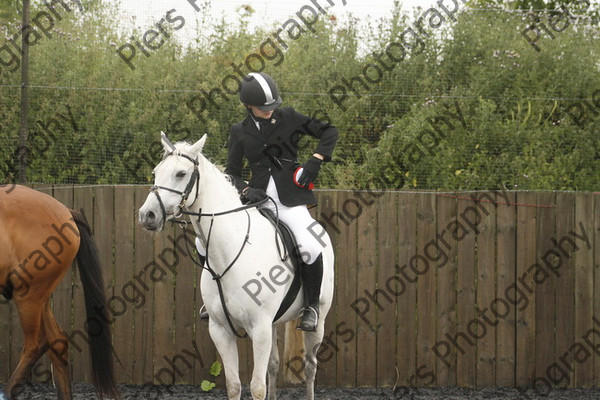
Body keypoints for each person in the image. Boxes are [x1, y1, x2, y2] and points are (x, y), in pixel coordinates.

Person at [197, 72, 338, 332]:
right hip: (256, 202)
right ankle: (214, 300)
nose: (270, 112)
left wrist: (315, 160)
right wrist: (246, 188)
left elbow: (329, 131)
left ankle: (311, 306)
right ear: (249, 106)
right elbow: (232, 173)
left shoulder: (290, 117)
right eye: (264, 108)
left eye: (273, 106)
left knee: (309, 243)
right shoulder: (239, 131)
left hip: (289, 200)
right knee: (204, 240)